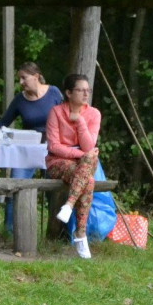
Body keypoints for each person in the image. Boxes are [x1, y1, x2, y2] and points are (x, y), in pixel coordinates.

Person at [0, 62, 64, 232]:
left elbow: (66, 117)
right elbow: (2, 123)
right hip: (29, 149)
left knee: (54, 191)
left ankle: (57, 232)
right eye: (19, 79)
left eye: (24, 78)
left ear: (36, 76)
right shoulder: (20, 100)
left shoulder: (54, 92)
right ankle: (10, 232)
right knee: (16, 187)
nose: (21, 82)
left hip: (53, 149)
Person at [46, 73, 101, 259]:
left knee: (89, 161)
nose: (86, 93)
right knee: (89, 180)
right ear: (69, 93)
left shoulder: (93, 114)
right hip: (58, 163)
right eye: (81, 90)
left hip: (82, 165)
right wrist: (82, 155)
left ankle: (69, 205)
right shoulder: (56, 112)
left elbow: (88, 145)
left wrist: (79, 121)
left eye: (88, 90)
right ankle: (81, 235)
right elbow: (53, 146)